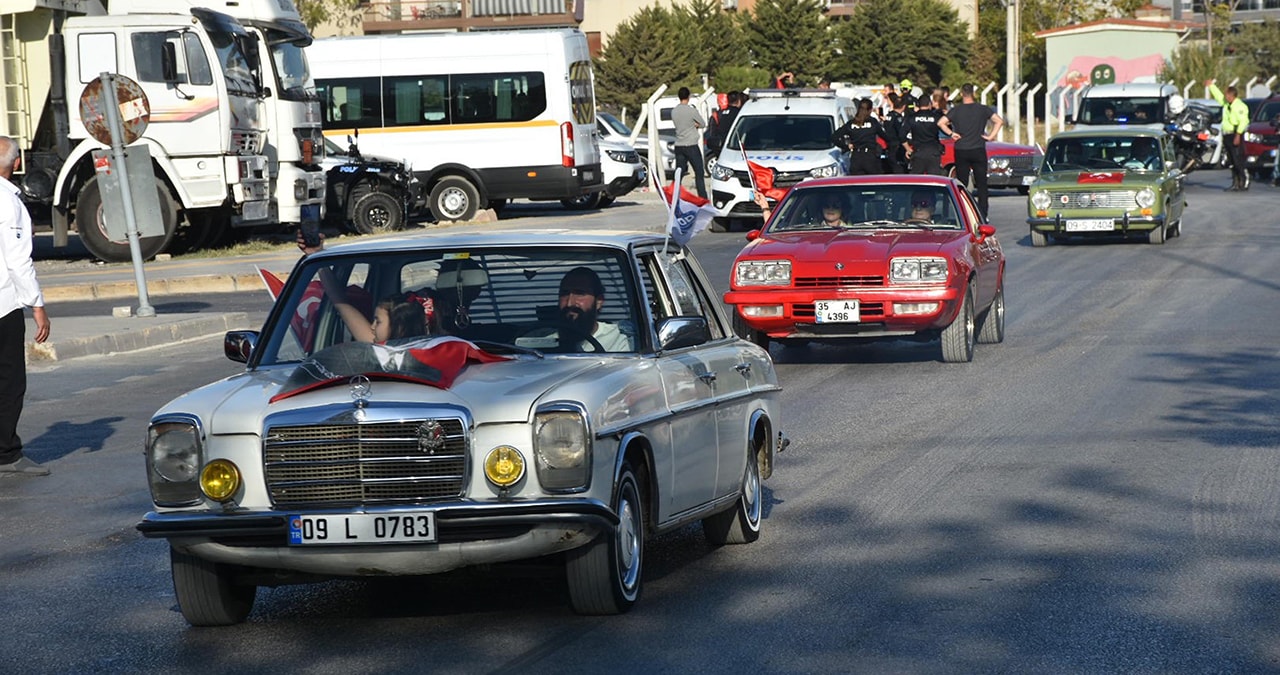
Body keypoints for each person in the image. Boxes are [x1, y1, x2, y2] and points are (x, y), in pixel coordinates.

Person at [0, 135, 51, 476]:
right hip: (2, 304)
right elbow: (18, 260)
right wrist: (36, 304)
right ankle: (7, 455)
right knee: (9, 379)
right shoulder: (8, 201)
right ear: (16, 163)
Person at [937, 83, 1004, 218]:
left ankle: (963, 213)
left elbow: (940, 122)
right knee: (981, 184)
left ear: (961, 94)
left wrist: (951, 134)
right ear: (973, 94)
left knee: (962, 183)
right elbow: (999, 121)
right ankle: (983, 214)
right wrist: (990, 136)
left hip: (961, 149)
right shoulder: (982, 109)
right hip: (978, 148)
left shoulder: (956, 110)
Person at [556, 267, 632, 352]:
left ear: (599, 301)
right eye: (564, 293)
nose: (569, 303)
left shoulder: (619, 338)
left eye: (579, 293)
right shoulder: (543, 341)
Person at [1207, 80, 1251, 191]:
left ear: (1232, 95)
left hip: (1235, 134)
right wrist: (1211, 86)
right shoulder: (1227, 104)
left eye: (1227, 94)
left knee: (1237, 160)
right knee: (1231, 161)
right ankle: (1235, 182)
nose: (1225, 96)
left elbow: (1243, 121)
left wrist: (1238, 134)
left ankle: (1244, 180)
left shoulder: (1240, 106)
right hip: (1226, 134)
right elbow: (1218, 96)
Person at [832, 98, 888, 175]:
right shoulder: (873, 122)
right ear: (870, 110)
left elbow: (834, 137)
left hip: (856, 158)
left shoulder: (851, 124)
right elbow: (884, 136)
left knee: (857, 184)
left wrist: (846, 146)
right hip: (870, 158)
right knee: (874, 183)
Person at [671, 86, 708, 199]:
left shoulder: (674, 111)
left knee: (679, 173)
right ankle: (702, 197)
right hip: (691, 144)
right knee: (699, 172)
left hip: (679, 144)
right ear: (688, 97)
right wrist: (694, 125)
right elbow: (702, 123)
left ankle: (674, 194)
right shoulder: (691, 111)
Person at [905, 90, 946, 176]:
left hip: (918, 152)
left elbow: (902, 135)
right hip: (933, 152)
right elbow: (945, 129)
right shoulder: (936, 117)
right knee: (935, 180)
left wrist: (908, 148)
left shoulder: (912, 118)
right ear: (929, 104)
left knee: (916, 181)